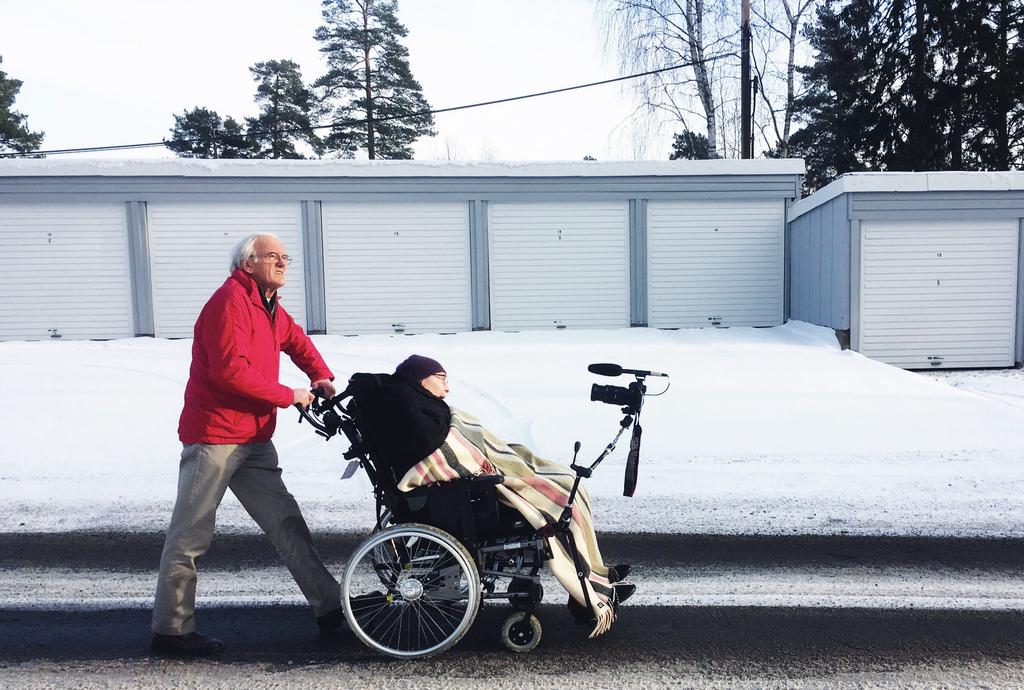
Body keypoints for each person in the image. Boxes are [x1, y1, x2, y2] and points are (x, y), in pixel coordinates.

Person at [151, 233, 344, 656]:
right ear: (247, 263)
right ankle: (171, 630)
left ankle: (331, 610)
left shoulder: (268, 305)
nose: (282, 263)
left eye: (285, 257)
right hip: (215, 437)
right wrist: (287, 394)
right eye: (273, 256)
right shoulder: (229, 302)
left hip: (255, 437)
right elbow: (230, 373)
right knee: (191, 534)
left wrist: (320, 375)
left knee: (287, 523)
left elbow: (295, 340)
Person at [358, 355, 635, 639]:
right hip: (457, 495)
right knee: (562, 499)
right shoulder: (405, 405)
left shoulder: (412, 402)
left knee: (566, 484)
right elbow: (444, 452)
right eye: (442, 378)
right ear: (421, 378)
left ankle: (594, 573)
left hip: (460, 490)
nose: (448, 387)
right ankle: (588, 594)